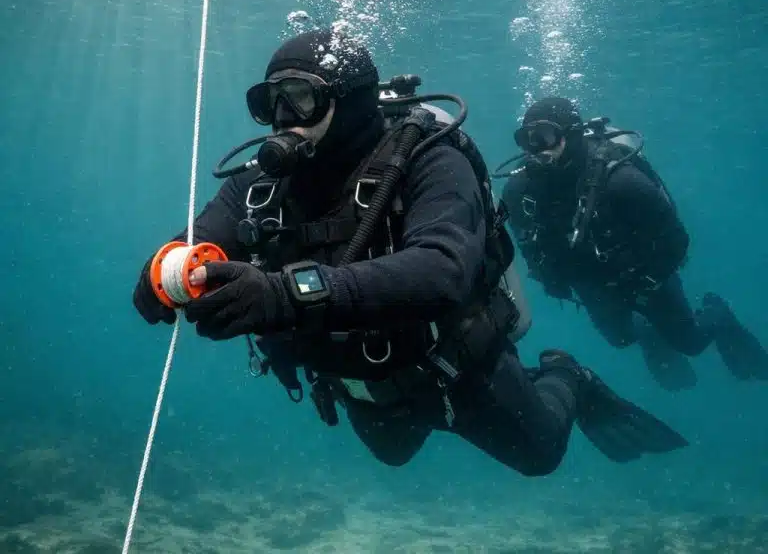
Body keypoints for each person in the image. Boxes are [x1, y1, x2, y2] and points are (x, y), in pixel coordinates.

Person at [133, 30, 687, 475]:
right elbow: (202, 236)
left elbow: (442, 270)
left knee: (540, 453)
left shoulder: (431, 159)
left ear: (348, 102)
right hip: (358, 381)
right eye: (268, 102)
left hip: (453, 365)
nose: (283, 118)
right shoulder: (260, 182)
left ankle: (567, 375)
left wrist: (283, 294)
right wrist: (167, 271)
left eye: (299, 97)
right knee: (394, 454)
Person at [500, 96, 768, 391]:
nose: (535, 148)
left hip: (645, 276)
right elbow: (525, 240)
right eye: (526, 139)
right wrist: (549, 275)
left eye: (544, 136)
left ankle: (718, 313)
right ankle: (650, 333)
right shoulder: (519, 191)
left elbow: (676, 241)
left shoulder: (622, 182)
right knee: (621, 339)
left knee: (691, 342)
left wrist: (648, 281)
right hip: (591, 280)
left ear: (572, 135)